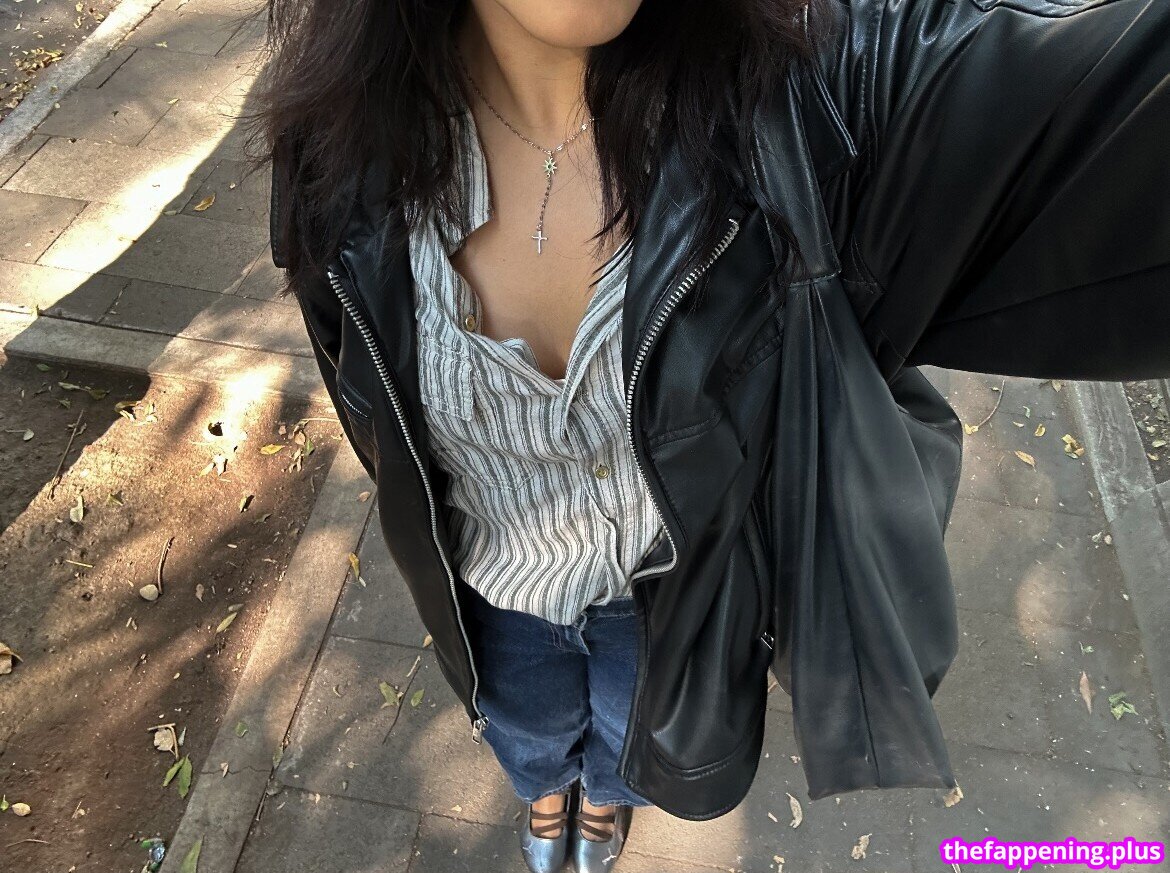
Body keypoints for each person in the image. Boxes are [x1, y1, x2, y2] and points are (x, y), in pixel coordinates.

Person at [251, 0, 1170, 870]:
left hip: (669, 608)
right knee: (529, 731)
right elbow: (374, 413)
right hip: (493, 599)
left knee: (631, 738)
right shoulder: (335, 150)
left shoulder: (814, 107)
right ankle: (547, 791)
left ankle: (602, 799)